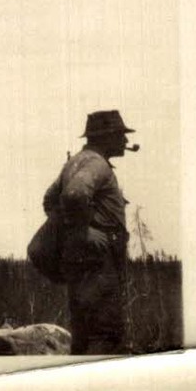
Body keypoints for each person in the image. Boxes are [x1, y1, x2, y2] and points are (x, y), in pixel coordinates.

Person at [42, 109, 136, 354]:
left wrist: (74, 233)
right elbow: (74, 194)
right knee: (106, 333)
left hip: (82, 260)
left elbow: (50, 200)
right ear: (105, 137)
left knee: (83, 332)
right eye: (120, 135)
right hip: (99, 261)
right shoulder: (97, 163)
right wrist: (83, 231)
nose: (125, 141)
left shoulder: (76, 161)